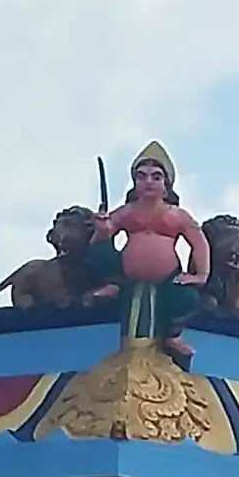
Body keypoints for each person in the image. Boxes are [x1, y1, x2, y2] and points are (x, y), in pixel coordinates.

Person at [91, 142, 211, 362]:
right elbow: (103, 239)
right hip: (128, 277)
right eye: (142, 176)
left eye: (156, 177)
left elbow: (199, 243)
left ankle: (173, 336)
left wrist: (200, 275)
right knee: (99, 250)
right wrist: (102, 231)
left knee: (187, 298)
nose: (148, 182)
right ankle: (113, 284)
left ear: (166, 185)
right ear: (135, 182)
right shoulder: (126, 212)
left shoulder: (178, 215)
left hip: (168, 280)